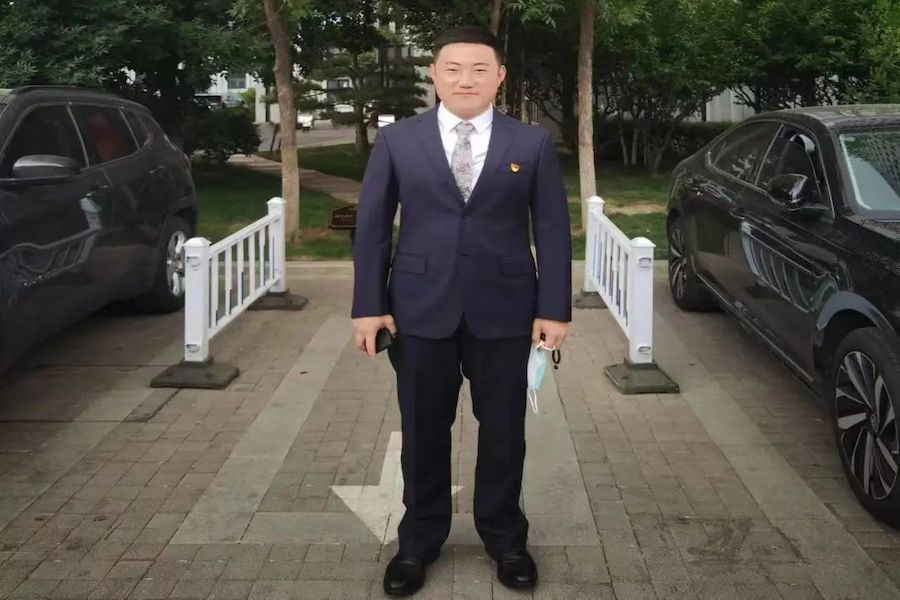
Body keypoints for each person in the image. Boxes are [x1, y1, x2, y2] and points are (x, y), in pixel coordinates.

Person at [351, 25, 572, 597]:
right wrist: (369, 306)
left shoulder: (531, 143)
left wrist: (554, 309)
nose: (465, 79)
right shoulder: (398, 140)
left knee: (504, 432)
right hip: (419, 310)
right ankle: (419, 541)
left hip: (507, 311)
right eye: (452, 68)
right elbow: (372, 228)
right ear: (434, 75)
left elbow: (552, 230)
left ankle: (505, 538)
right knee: (423, 429)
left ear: (499, 76)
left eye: (479, 69)